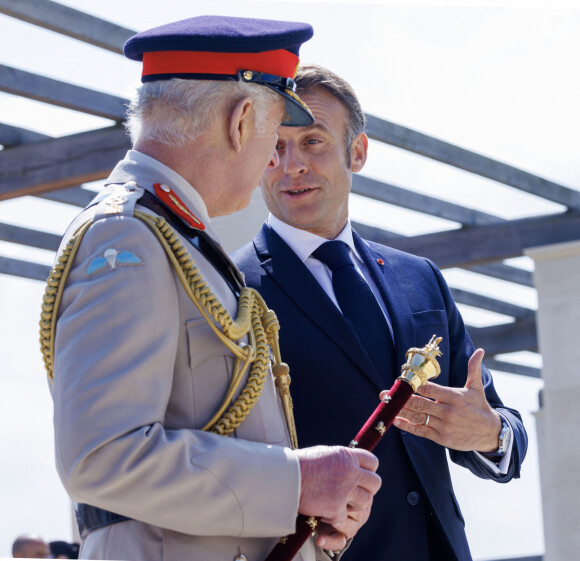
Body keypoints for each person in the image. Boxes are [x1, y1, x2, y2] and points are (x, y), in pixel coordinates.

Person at [40, 18, 381, 561]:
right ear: (242, 121)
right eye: (274, 136)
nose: (275, 161)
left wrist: (302, 514)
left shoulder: (175, 238)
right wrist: (296, 482)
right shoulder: (125, 235)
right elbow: (101, 458)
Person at [232, 63, 528, 561]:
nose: (291, 166)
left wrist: (490, 433)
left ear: (358, 152)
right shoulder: (231, 289)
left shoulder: (420, 278)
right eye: (274, 148)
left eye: (313, 142)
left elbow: (504, 429)